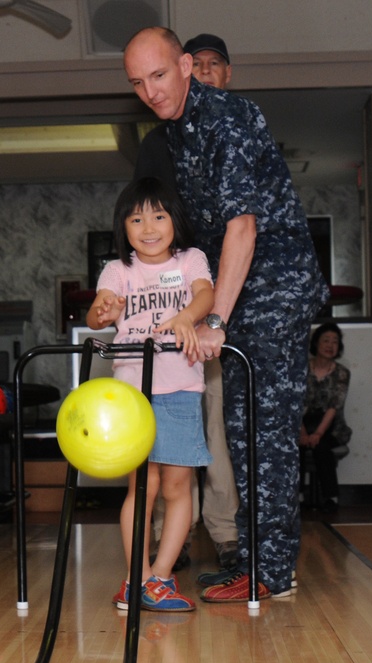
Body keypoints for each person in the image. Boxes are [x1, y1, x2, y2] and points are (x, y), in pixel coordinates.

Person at [123, 28, 329, 603]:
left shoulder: (228, 117)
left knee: (266, 433)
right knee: (240, 435)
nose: (151, 91)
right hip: (240, 294)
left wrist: (216, 320)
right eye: (138, 83)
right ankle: (259, 563)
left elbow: (242, 226)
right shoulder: (178, 131)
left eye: (159, 75)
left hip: (274, 291)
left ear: (186, 66)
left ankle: (274, 572)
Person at [86, 177, 214, 612]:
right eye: (136, 218)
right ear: (123, 227)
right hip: (131, 396)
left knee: (179, 486)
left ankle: (159, 579)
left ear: (174, 221)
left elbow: (205, 295)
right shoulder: (118, 270)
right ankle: (134, 579)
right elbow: (98, 309)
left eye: (158, 216)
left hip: (179, 388)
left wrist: (186, 318)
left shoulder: (191, 259)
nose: (149, 227)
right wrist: (104, 310)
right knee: (143, 486)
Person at [138, 33, 240, 572]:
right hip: (170, 302)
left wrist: (215, 309)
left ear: (227, 74)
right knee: (164, 425)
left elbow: (247, 227)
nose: (202, 73)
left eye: (212, 66)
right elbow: (143, 220)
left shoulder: (238, 129)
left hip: (223, 296)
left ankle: (225, 533)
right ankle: (167, 540)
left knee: (214, 421)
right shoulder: (159, 143)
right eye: (192, 66)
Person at [299, 323, 352, 513]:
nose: (330, 345)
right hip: (302, 423)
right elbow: (295, 404)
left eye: (335, 342)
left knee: (322, 446)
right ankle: (297, 495)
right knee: (296, 445)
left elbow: (334, 407)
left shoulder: (342, 373)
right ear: (316, 344)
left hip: (331, 425)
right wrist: (303, 433)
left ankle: (330, 496)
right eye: (326, 341)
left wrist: (318, 433)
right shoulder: (301, 369)